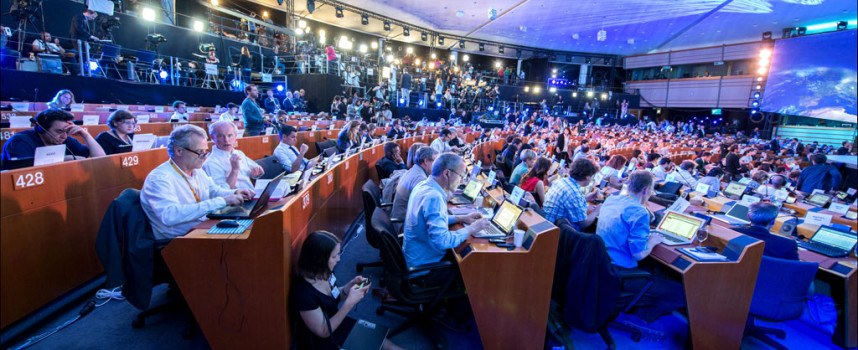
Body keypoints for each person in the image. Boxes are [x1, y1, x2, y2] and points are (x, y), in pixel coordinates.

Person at [596, 170, 686, 322]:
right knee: (683, 293)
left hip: (601, 265)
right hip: (621, 272)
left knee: (656, 272)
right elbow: (639, 254)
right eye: (651, 191)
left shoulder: (611, 199)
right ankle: (645, 312)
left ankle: (640, 303)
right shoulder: (639, 212)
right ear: (645, 190)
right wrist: (652, 240)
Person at [291, 231, 404, 350]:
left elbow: (333, 296)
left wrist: (348, 287)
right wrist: (349, 303)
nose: (339, 259)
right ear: (319, 259)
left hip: (337, 323)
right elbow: (323, 331)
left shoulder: (325, 272)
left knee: (383, 343)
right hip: (321, 342)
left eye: (338, 254)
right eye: (334, 256)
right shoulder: (303, 293)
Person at [140, 125, 254, 241]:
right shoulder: (160, 178)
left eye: (205, 152)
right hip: (179, 240)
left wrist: (235, 192)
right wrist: (222, 201)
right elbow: (170, 215)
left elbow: (213, 191)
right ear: (179, 150)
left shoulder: (197, 170)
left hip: (201, 228)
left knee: (252, 232)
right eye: (199, 152)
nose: (204, 157)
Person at [402, 153, 489, 276]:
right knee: (474, 269)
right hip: (424, 268)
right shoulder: (434, 197)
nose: (462, 181)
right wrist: (472, 228)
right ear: (447, 173)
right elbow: (443, 241)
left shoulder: (424, 185)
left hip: (415, 257)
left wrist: (461, 218)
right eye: (461, 176)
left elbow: (430, 219)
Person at [1, 109, 105, 166]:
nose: (64, 136)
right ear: (41, 129)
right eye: (59, 131)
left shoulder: (66, 139)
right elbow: (24, 170)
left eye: (67, 131)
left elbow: (101, 160)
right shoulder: (19, 142)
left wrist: (85, 135)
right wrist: (65, 159)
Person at [542, 158, 603, 231]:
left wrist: (586, 198)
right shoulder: (574, 192)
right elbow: (584, 223)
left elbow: (568, 200)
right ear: (587, 177)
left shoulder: (561, 181)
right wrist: (597, 210)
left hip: (547, 224)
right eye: (592, 177)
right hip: (557, 233)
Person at [202, 121, 264, 189]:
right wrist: (234, 170)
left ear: (235, 136)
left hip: (252, 193)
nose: (226, 140)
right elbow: (222, 192)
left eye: (230, 135)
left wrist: (258, 171)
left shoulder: (239, 153)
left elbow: (254, 172)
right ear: (212, 137)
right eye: (220, 136)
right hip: (237, 198)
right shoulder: (210, 162)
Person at [731, 202, 799, 260]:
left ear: (748, 217)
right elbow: (795, 270)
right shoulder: (788, 244)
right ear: (773, 221)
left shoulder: (731, 233)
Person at [392, 146, 438, 224]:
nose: (437, 165)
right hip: (404, 224)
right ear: (426, 161)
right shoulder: (420, 179)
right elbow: (429, 211)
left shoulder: (414, 170)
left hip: (402, 219)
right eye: (436, 161)